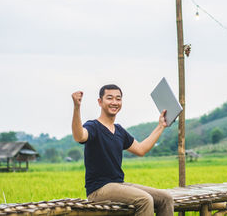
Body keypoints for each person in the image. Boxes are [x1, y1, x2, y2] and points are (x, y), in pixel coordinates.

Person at [71, 84, 174, 216]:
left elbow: (141, 149)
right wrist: (77, 107)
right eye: (110, 98)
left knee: (166, 198)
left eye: (118, 99)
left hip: (119, 185)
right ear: (100, 102)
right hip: (98, 190)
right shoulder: (93, 127)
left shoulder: (119, 131)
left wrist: (161, 126)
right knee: (145, 199)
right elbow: (79, 136)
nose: (114, 102)